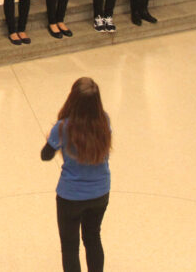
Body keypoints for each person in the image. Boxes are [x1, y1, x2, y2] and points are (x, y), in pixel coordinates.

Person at [41, 77, 112, 272]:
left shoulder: (63, 127)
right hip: (100, 192)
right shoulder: (104, 120)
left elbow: (45, 155)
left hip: (71, 196)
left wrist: (50, 139)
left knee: (70, 247)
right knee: (93, 237)